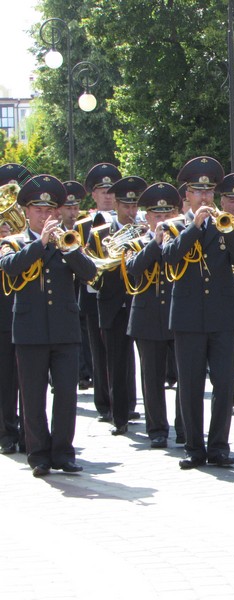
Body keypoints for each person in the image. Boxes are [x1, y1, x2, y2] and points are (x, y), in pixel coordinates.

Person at [0, 175, 97, 477]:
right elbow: (10, 267)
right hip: (29, 331)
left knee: (66, 395)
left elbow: (90, 273)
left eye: (49, 210)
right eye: (38, 210)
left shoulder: (68, 241)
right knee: (32, 395)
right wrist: (40, 244)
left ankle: (63, 453)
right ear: (26, 212)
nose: (45, 216)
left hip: (65, 330)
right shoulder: (12, 242)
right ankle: (39, 454)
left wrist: (69, 251)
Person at [163, 156, 234, 469]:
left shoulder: (226, 224)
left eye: (209, 192)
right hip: (188, 318)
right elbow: (170, 259)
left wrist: (226, 230)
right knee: (190, 385)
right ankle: (194, 447)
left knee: (225, 385)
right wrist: (194, 227)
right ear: (186, 195)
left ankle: (219, 446)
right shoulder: (173, 226)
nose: (205, 198)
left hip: (223, 317)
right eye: (198, 192)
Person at [125, 182, 184, 448]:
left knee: (186, 374)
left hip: (178, 315)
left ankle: (185, 427)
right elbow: (134, 269)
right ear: (147, 217)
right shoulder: (135, 243)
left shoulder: (184, 243)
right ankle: (157, 429)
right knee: (152, 378)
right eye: (157, 216)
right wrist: (156, 244)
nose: (162, 221)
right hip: (147, 318)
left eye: (167, 215)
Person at [90, 175, 147, 436]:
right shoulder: (101, 233)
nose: (131, 212)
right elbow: (92, 275)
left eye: (134, 206)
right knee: (116, 363)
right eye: (126, 206)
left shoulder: (146, 230)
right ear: (116, 204)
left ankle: (154, 416)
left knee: (148, 363)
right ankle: (119, 416)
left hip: (142, 303)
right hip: (113, 305)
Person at [82, 162, 121, 422]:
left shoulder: (130, 221)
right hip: (92, 295)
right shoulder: (83, 225)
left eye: (111, 190)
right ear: (93, 195)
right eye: (102, 190)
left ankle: (124, 403)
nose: (107, 195)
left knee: (121, 354)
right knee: (99, 350)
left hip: (121, 293)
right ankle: (103, 403)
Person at [0, 163, 30, 456]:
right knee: (6, 378)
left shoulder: (22, 233)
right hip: (2, 315)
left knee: (28, 381)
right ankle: (7, 432)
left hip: (25, 313)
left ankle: (27, 432)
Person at [61, 181, 94, 390]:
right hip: (64, 285)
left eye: (75, 208)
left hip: (81, 283)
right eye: (69, 208)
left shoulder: (86, 228)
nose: (73, 212)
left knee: (83, 327)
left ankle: (84, 371)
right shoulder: (56, 230)